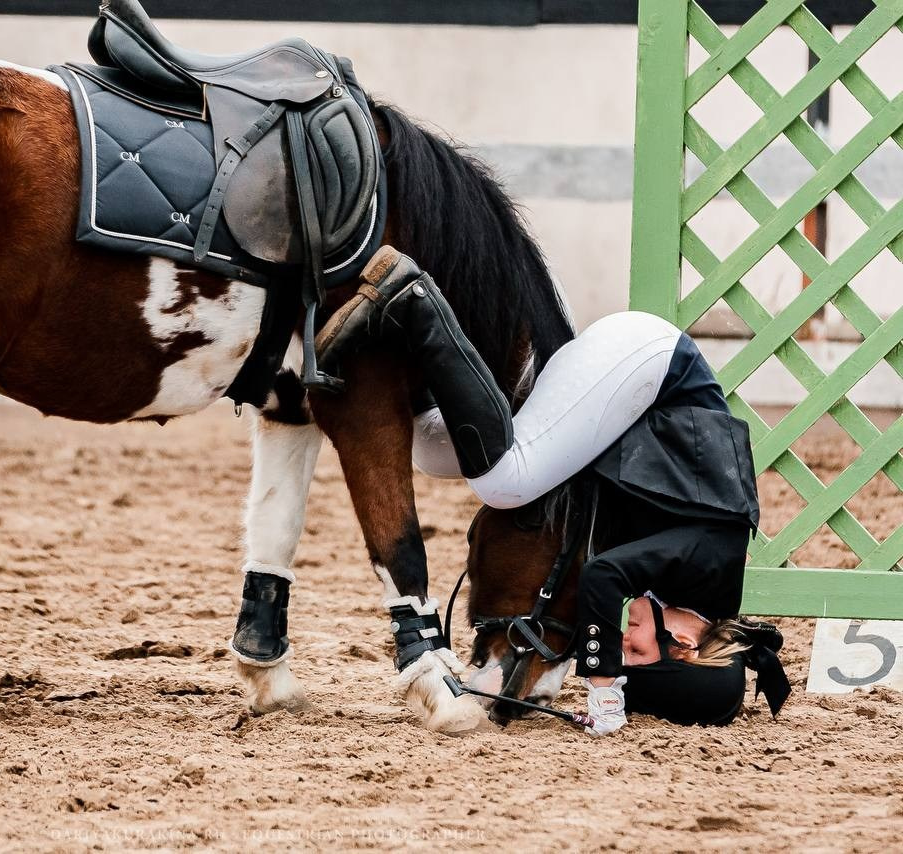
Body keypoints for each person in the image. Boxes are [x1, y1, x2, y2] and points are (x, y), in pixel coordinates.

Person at [317, 246, 790, 735]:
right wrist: (604, 689)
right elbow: (603, 576)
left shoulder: (689, 587)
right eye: (637, 650)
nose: (625, 641)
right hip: (651, 364)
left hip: (634, 382)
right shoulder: (710, 568)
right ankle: (417, 300)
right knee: (505, 482)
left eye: (625, 652)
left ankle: (390, 349)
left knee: (435, 452)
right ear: (685, 647)